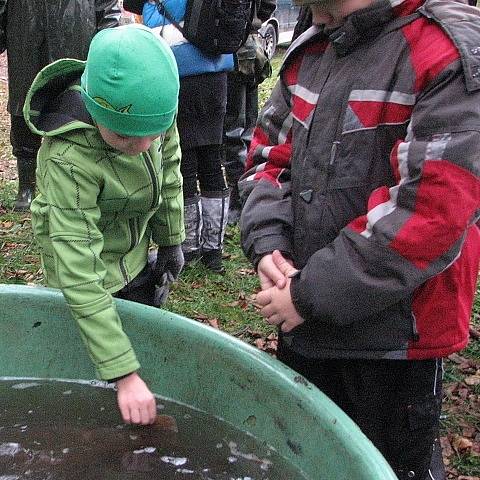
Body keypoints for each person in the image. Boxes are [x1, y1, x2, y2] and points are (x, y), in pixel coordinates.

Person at [239, 0, 480, 479]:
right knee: (305, 460)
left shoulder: (445, 55)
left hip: (392, 346)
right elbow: (268, 158)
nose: (308, 13)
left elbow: (430, 212)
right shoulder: (314, 50)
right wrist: (269, 242)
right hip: (303, 319)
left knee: (386, 466)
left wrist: (312, 293)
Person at [25, 24, 185, 425]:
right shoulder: (67, 158)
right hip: (82, 265)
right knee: (93, 373)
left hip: (133, 251)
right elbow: (78, 269)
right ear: (97, 111)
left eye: (154, 134)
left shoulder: (155, 111)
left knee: (139, 330)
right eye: (126, 138)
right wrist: (123, 373)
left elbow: (168, 173)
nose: (144, 146)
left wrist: (170, 241)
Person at [124, 0, 234, 273]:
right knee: (211, 160)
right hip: (214, 74)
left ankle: (189, 244)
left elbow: (133, 11)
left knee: (184, 162)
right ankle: (213, 250)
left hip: (175, 73)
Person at [0, 0, 121, 212]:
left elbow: (108, 8)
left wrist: (107, 42)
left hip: (76, 36)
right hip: (27, 38)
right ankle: (26, 186)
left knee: (78, 115)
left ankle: (84, 182)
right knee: (24, 114)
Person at [222, 0, 276, 226]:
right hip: (246, 48)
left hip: (239, 51)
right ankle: (243, 196)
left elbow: (267, 5)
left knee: (238, 131)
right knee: (245, 130)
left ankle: (239, 200)